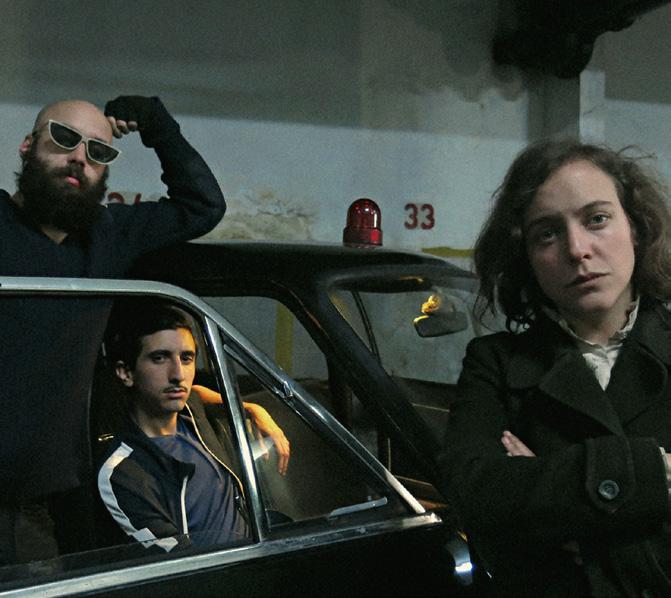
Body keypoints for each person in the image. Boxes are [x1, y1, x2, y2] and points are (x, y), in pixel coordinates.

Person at [439, 140, 671, 597]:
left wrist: (552, 494)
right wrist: (652, 474)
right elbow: (475, 496)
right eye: (547, 234)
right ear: (525, 255)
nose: (577, 249)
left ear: (636, 227)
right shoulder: (495, 363)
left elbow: (512, 511)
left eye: (596, 219)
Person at [0, 96, 226, 563]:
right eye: (64, 139)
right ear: (27, 146)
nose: (79, 158)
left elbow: (202, 205)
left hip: (54, 496)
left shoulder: (108, 235)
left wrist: (157, 124)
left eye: (98, 151)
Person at [97, 303, 289, 551]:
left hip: (256, 544)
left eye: (186, 358)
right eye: (159, 358)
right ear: (126, 373)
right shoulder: (123, 472)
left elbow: (197, 392)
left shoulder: (191, 409)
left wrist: (253, 409)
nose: (178, 374)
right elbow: (177, 558)